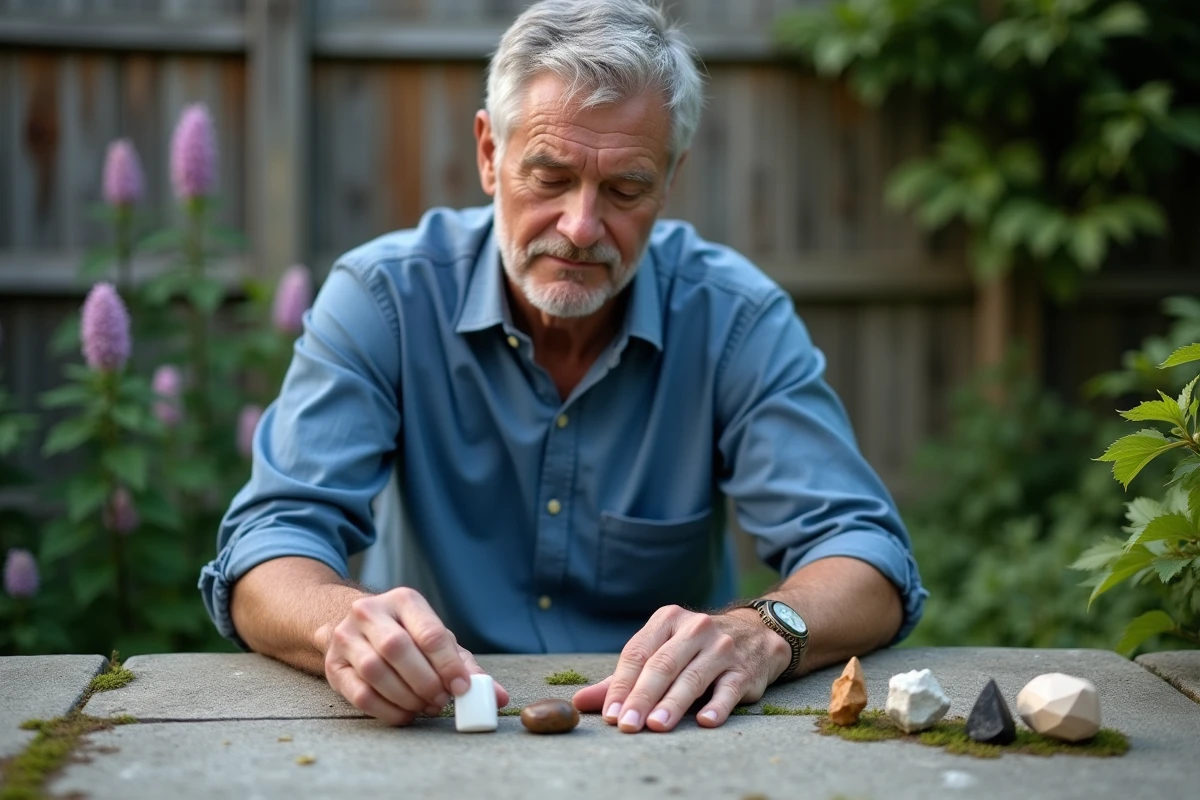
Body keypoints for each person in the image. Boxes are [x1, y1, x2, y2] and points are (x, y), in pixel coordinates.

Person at [200, 0, 926, 734]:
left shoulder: (734, 318)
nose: (581, 228)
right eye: (550, 177)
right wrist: (342, 625)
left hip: (673, 742)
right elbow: (270, 544)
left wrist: (767, 630)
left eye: (625, 189)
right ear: (490, 154)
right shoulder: (384, 298)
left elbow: (865, 555)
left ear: (670, 180)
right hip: (434, 739)